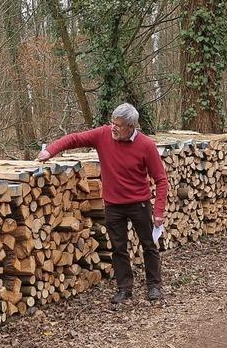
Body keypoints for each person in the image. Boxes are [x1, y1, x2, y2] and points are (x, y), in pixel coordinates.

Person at [37, 103, 168, 303]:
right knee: (118, 248)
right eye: (112, 123)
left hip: (139, 204)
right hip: (113, 205)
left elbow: (161, 179)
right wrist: (50, 151)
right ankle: (124, 288)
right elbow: (74, 138)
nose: (113, 128)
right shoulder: (103, 135)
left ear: (131, 127)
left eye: (118, 125)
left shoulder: (146, 146)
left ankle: (154, 286)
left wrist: (159, 211)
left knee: (148, 245)